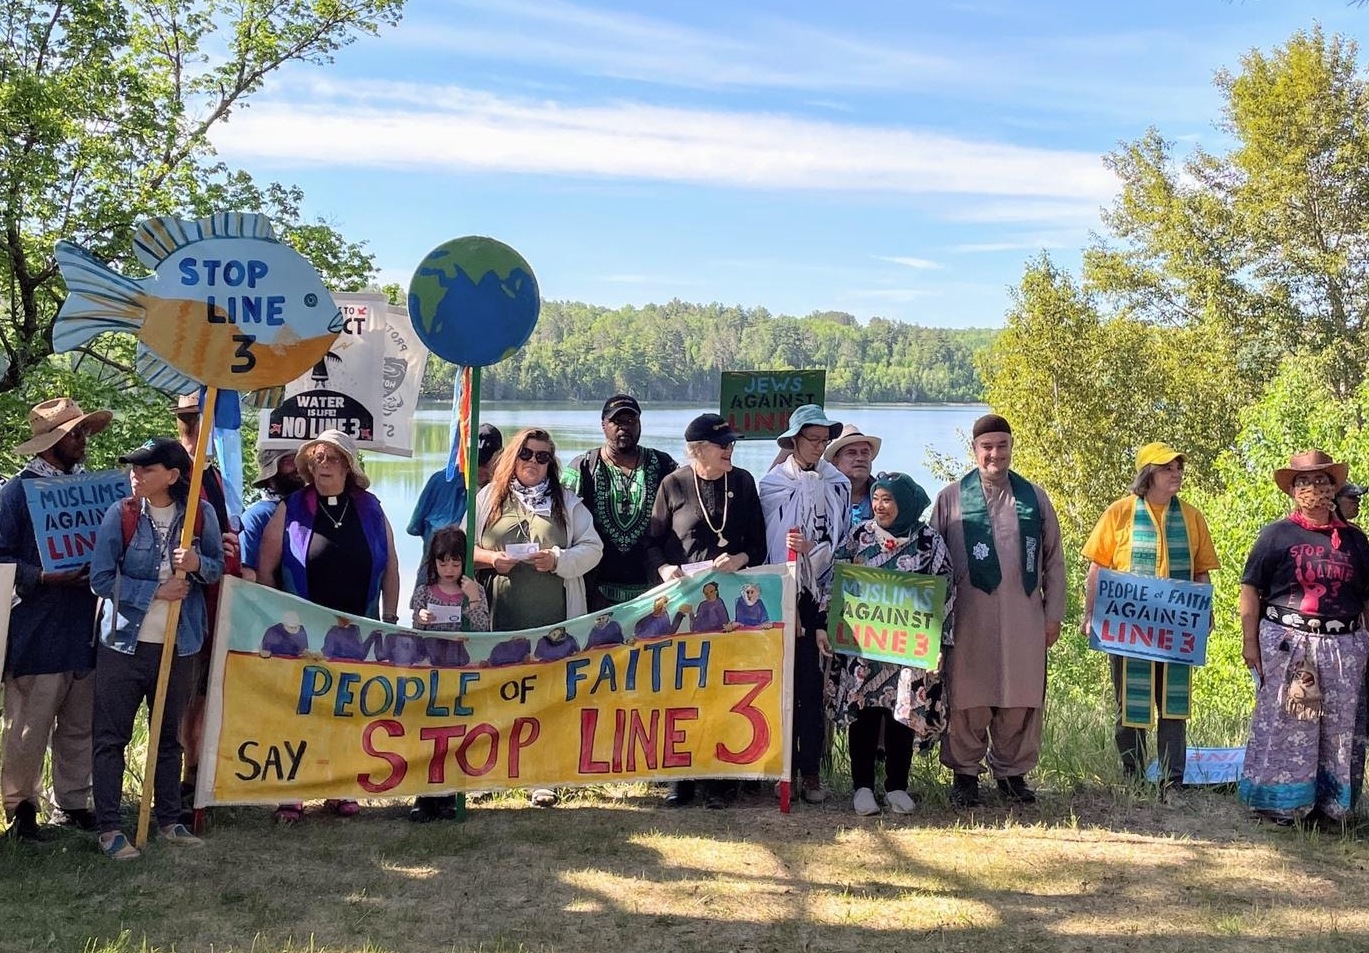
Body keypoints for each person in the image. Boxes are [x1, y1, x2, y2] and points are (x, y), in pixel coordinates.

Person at [89, 437, 224, 859]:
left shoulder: (200, 517)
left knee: (169, 737)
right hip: (123, 645)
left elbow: (218, 567)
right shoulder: (122, 515)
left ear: (172, 475)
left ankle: (169, 818)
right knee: (111, 737)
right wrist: (154, 591)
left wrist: (198, 564)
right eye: (134, 467)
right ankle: (110, 827)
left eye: (146, 469)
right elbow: (99, 578)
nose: (137, 474)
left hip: (179, 644)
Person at [257, 428, 400, 822]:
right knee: (300, 711)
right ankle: (294, 791)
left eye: (333, 458)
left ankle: (339, 788)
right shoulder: (291, 507)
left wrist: (389, 618)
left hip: (356, 630)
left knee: (346, 710)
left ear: (348, 467)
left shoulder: (370, 507)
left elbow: (390, 564)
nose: (324, 464)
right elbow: (267, 568)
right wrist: (277, 615)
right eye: (317, 458)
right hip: (302, 633)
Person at [929, 414, 1065, 807]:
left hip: (1024, 617)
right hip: (968, 619)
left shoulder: (1035, 498)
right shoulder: (951, 498)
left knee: (1019, 697)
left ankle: (1012, 774)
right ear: (975, 451)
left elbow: (1054, 561)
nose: (995, 454)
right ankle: (965, 776)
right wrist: (931, 621)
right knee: (969, 695)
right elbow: (930, 561)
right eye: (987, 447)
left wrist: (1053, 614)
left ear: (1010, 448)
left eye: (1001, 446)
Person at [0, 397, 112, 839]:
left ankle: (73, 801)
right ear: (53, 442)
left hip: (85, 624)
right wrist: (43, 576)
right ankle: (21, 806)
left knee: (80, 723)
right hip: (37, 630)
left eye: (84, 433)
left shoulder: (96, 490)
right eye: (76, 435)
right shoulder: (15, 493)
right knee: (29, 725)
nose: (84, 442)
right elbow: (1, 557)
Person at [1081, 442, 1220, 800]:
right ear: (1148, 476)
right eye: (1167, 468)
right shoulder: (1119, 514)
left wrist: (1206, 614)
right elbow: (1097, 568)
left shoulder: (1191, 517)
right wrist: (1090, 615)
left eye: (1178, 468)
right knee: (1130, 702)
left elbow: (1201, 571)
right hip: (1130, 630)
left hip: (1176, 631)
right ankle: (1134, 773)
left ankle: (1173, 779)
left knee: (1173, 705)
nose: (1176, 473)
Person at [473, 427, 603, 807]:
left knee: (546, 697)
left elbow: (593, 548)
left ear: (552, 462)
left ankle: (541, 776)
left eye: (542, 456)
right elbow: (462, 545)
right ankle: (491, 774)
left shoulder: (567, 502)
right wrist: (492, 559)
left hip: (554, 620)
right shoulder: (489, 498)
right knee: (498, 694)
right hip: (501, 618)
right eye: (526, 454)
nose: (533, 462)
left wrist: (559, 560)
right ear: (514, 456)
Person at [1239, 450, 1369, 828]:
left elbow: (1366, 599)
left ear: (1334, 487)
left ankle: (1330, 810)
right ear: (1293, 490)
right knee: (1288, 722)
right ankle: (1280, 806)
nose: (1315, 488)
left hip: (1344, 646)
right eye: (1305, 481)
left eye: (1323, 480)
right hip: (1288, 642)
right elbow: (1250, 589)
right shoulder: (1276, 535)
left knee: (1338, 728)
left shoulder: (1355, 542)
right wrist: (1250, 643)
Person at [646, 413, 767, 808]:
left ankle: (719, 779)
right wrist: (665, 568)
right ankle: (680, 778)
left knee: (721, 688)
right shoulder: (673, 483)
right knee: (680, 687)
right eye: (723, 444)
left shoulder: (744, 481)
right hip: (684, 603)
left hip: (728, 604)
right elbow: (653, 543)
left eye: (732, 443)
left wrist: (740, 558)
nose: (731, 449)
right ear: (698, 450)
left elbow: (759, 544)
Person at [820, 473, 953, 816]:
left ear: (905, 503)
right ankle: (862, 787)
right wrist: (825, 625)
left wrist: (940, 642)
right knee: (863, 714)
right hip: (863, 645)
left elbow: (946, 592)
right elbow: (834, 579)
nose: (879, 506)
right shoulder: (859, 535)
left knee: (902, 714)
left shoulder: (929, 542)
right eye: (876, 499)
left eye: (888, 500)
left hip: (908, 647)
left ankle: (897, 787)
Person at [759, 403, 850, 805]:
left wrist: (816, 553)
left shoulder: (838, 484)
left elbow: (842, 540)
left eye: (824, 439)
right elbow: (767, 540)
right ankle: (777, 768)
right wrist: (788, 578)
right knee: (779, 687)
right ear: (794, 440)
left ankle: (811, 770)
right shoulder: (773, 484)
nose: (819, 446)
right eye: (812, 439)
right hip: (781, 595)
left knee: (813, 687)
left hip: (820, 595)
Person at [173, 392, 241, 819]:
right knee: (181, 691)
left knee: (203, 691)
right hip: (181, 604)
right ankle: (177, 776)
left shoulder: (212, 475)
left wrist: (227, 543)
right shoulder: (172, 473)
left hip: (213, 597)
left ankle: (196, 771)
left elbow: (219, 532)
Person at [565, 395, 678, 609]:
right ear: (603, 425)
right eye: (617, 421)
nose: (624, 427)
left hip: (652, 589)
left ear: (639, 424)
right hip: (595, 590)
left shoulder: (664, 465)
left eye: (631, 421)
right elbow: (562, 520)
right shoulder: (583, 468)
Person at [408, 524, 488, 823]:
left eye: (456, 562)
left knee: (457, 734)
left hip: (461, 673)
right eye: (443, 562)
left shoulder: (473, 591)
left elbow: (484, 631)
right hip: (432, 674)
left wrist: (474, 600)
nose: (450, 568)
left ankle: (451, 794)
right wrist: (421, 618)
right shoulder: (423, 593)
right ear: (434, 562)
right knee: (428, 735)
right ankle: (424, 795)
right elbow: (414, 631)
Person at [407, 424, 503, 581]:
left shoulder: (509, 493)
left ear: (501, 457)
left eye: (484, 463)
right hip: (432, 587)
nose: (477, 469)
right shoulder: (439, 482)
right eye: (472, 462)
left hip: (480, 594)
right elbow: (415, 527)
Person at [239, 447, 304, 582]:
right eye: (289, 462)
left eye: (300, 461)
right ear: (271, 475)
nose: (297, 468)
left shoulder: (311, 512)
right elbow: (247, 575)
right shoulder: (256, 517)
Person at [824, 424, 882, 528]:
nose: (860, 458)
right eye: (851, 453)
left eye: (865, 452)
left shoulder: (884, 495)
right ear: (835, 461)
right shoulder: (822, 495)